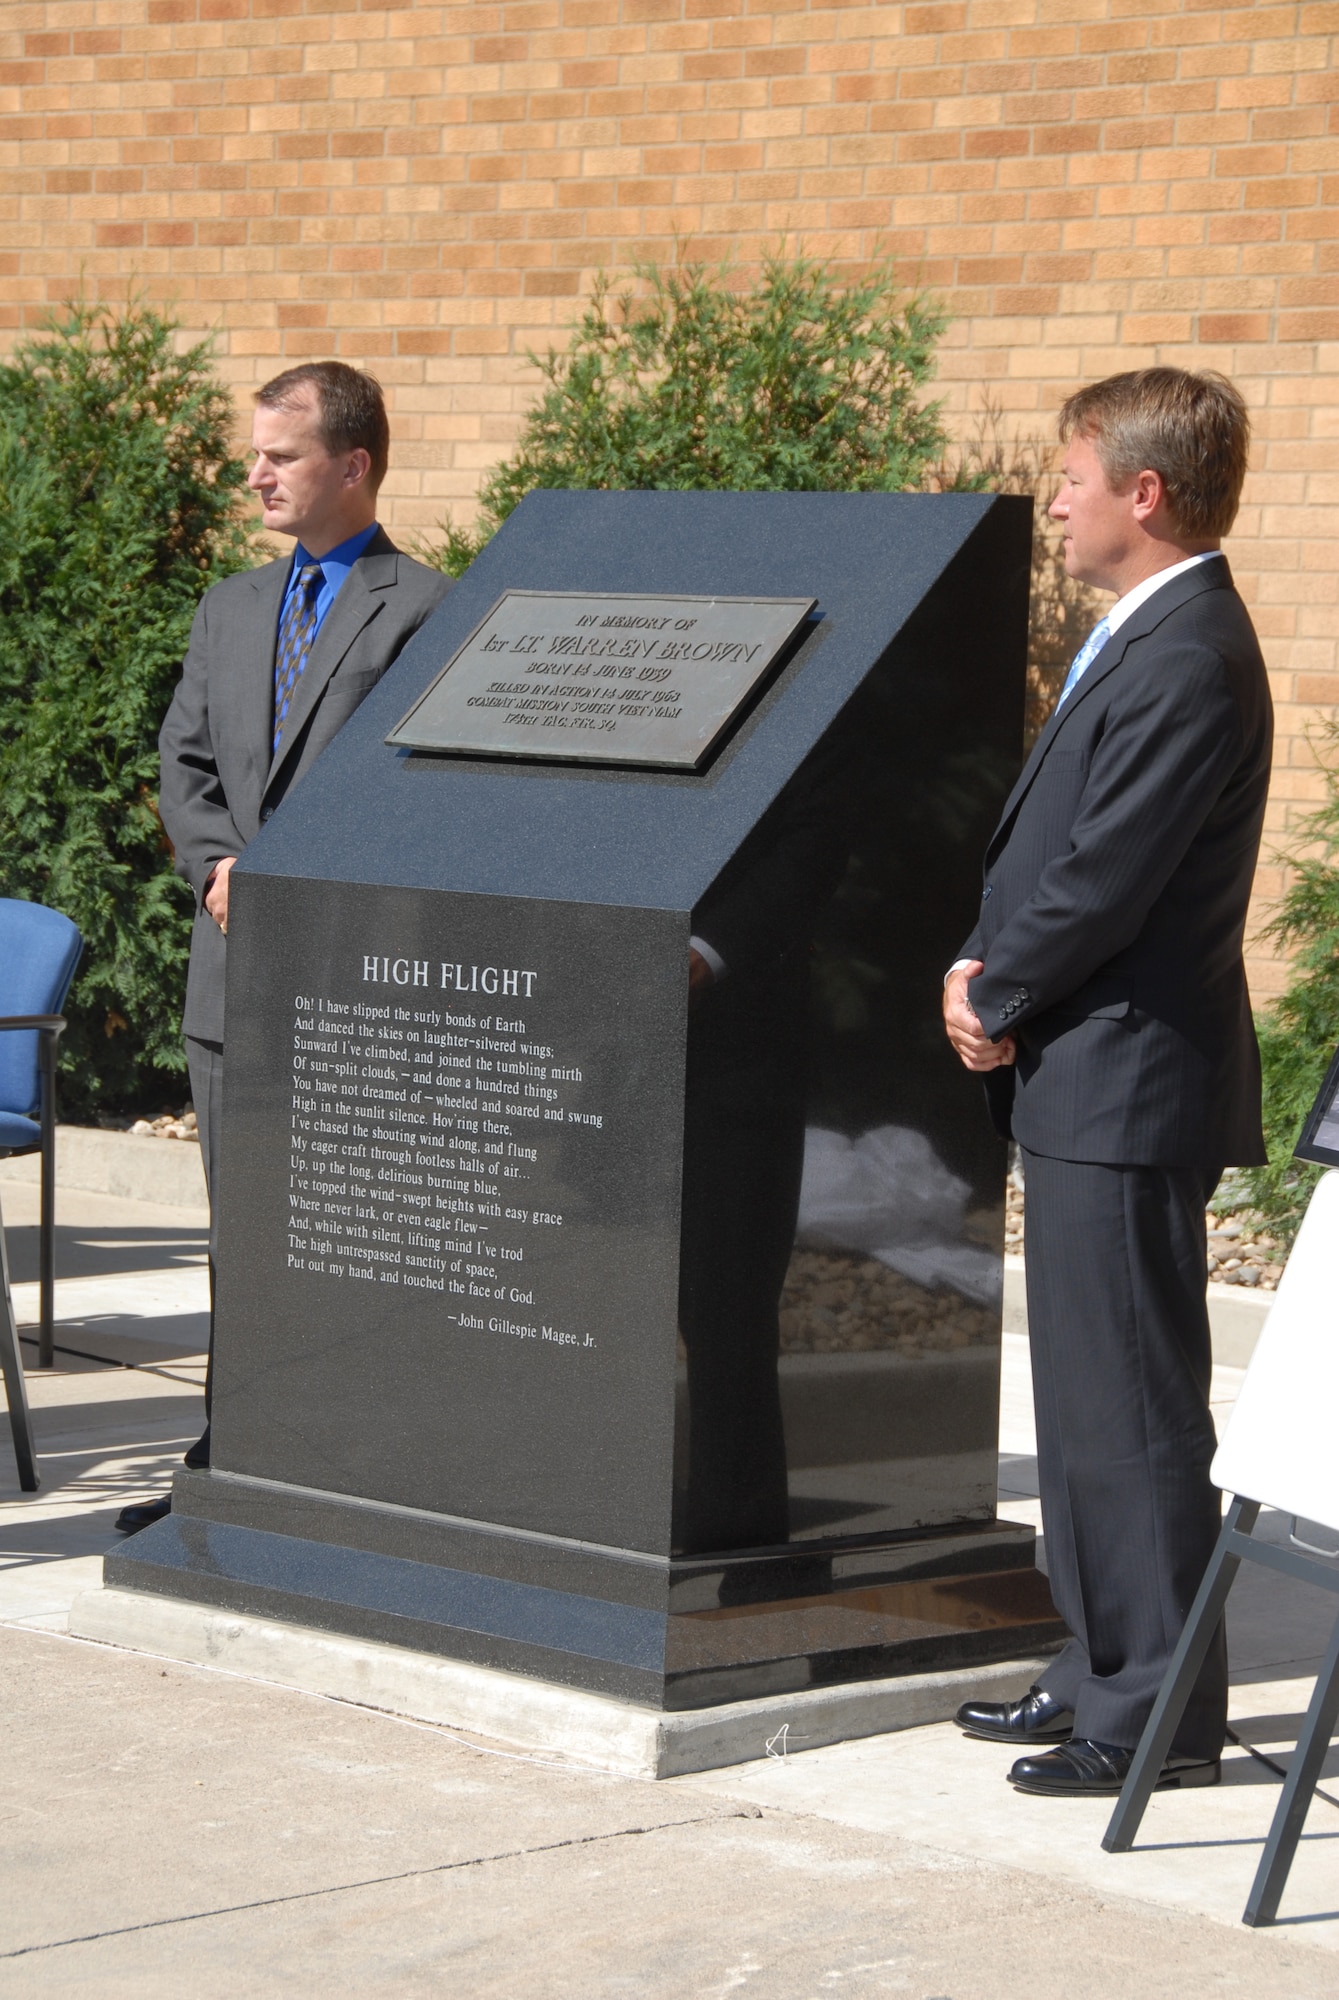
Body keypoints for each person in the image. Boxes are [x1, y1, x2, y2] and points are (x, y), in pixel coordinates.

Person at [942, 368, 1272, 1796]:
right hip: (1083, 1075)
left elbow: (1105, 876)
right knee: (1077, 1403)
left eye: (1070, 476)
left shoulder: (1188, 651)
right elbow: (1052, 854)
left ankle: (1149, 1722)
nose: (1055, 500)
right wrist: (983, 966)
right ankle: (1092, 1669)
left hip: (1122, 1082)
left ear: (1142, 494)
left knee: (1131, 1409)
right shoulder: (1137, 639)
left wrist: (992, 988)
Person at [115, 362, 452, 1533]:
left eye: (282, 453)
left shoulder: (424, 606)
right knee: (240, 1231)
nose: (256, 472)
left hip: (350, 985)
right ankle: (228, 1461)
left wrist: (303, 884)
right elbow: (186, 762)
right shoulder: (231, 606)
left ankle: (348, 1470)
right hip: (232, 976)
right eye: (253, 453)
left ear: (352, 466)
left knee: (350, 1241)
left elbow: (415, 790)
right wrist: (216, 862)